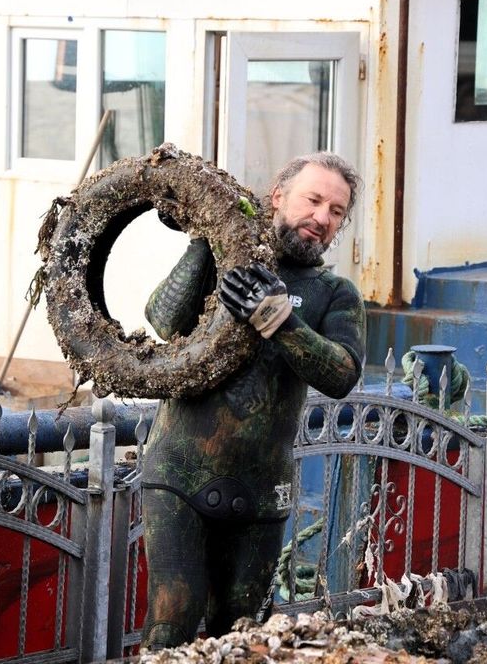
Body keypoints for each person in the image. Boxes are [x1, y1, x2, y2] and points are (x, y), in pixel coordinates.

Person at [139, 152, 366, 649]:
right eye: (314, 200)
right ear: (278, 196)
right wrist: (206, 235)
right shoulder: (222, 254)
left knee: (243, 631)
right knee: (172, 618)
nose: (322, 218)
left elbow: (343, 373)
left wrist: (281, 321)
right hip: (177, 472)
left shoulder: (335, 293)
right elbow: (163, 321)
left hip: (263, 490)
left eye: (336, 211)